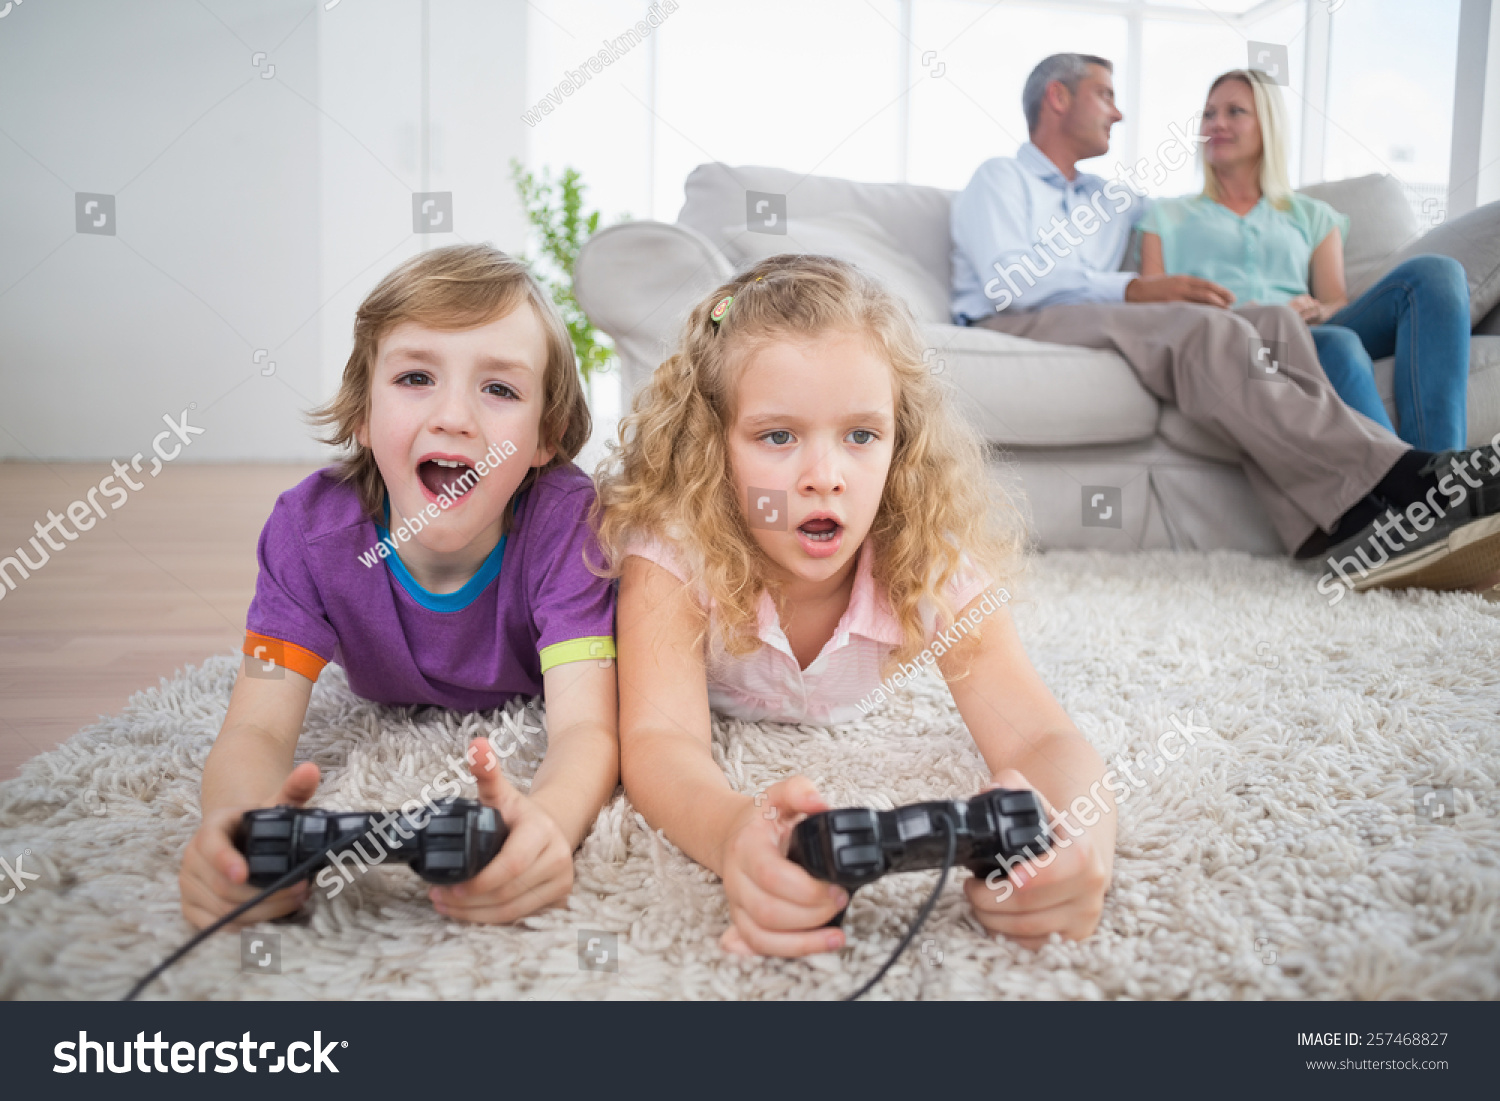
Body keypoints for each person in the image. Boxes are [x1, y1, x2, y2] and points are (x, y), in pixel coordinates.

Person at [593, 255, 1115, 958]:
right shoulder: (679, 550)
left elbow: (1040, 739)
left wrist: (1080, 841)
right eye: (777, 436)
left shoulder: (926, 556)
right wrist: (730, 833)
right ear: (714, 449)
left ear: (900, 446)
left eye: (861, 435)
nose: (824, 479)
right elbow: (661, 741)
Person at [178, 245, 620, 929]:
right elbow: (256, 726)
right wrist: (236, 832)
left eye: (499, 389)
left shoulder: (567, 523)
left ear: (544, 438)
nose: (454, 416)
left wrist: (551, 825)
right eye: (416, 377)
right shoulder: (309, 531)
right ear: (361, 413)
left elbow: (587, 726)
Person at [950, 52, 1500, 595]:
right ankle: (1407, 476)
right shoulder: (1001, 178)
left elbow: (1196, 209)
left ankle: (1334, 530)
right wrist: (1137, 288)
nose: (1118, 114)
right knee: (1202, 327)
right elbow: (1010, 281)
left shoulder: (1107, 199)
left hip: (1093, 313)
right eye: (1106, 95)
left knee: (1264, 322)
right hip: (1017, 318)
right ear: (1058, 97)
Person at [1139, 68, 1471, 452]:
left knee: (1438, 274)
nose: (1217, 124)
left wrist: (1315, 309)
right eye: (1209, 113)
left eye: (1235, 112)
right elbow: (1151, 307)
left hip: (1309, 333)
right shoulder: (1164, 217)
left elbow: (1336, 301)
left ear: (1269, 125)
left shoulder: (1313, 215)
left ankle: (1442, 470)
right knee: (1341, 346)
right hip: (1233, 339)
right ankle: (1409, 483)